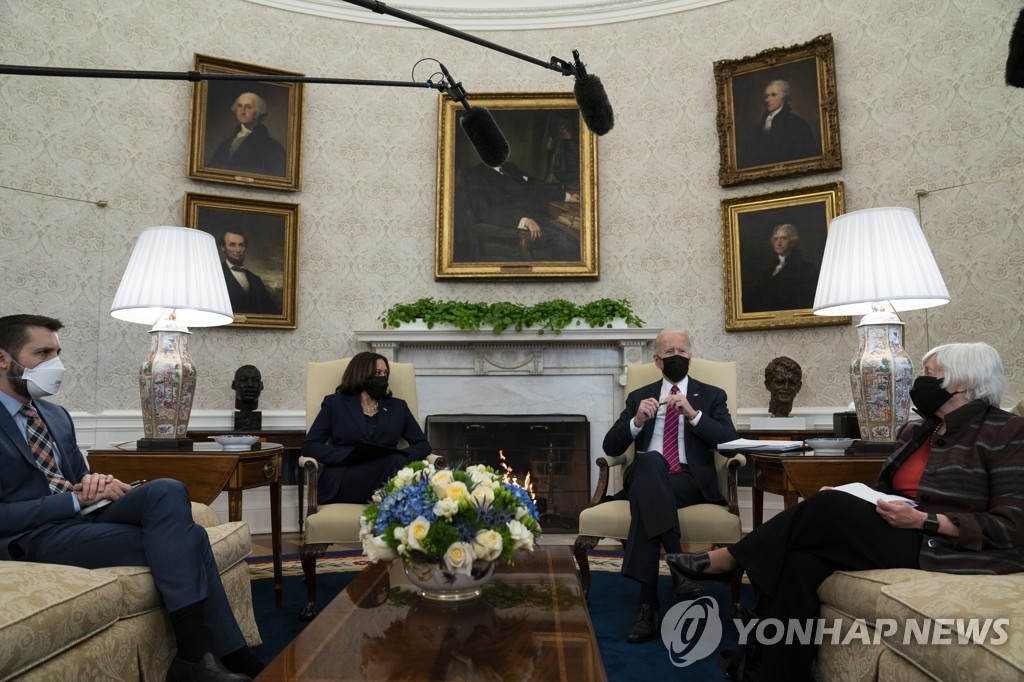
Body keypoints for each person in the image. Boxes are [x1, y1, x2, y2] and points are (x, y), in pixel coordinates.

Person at [667, 342, 1024, 681]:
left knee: (826, 509)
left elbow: (1012, 525)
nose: (921, 383)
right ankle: (771, 673)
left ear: (962, 382)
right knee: (800, 562)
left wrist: (926, 521)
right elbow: (887, 492)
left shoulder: (1005, 432)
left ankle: (733, 558)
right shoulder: (917, 430)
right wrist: (856, 496)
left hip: (942, 544)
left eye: (931, 374)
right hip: (896, 526)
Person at [0, 315, 262, 682]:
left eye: (58, 352)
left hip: (84, 516)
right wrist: (73, 501)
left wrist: (97, 483)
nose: (55, 363)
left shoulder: (55, 415)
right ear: (3, 360)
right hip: (33, 536)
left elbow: (78, 478)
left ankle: (196, 658)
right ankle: (219, 656)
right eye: (43, 353)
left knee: (167, 488)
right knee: (190, 538)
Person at [602, 330, 739, 643]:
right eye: (668, 351)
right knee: (650, 462)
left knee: (647, 498)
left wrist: (693, 415)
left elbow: (730, 444)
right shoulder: (640, 396)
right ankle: (678, 567)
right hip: (646, 473)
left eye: (681, 350)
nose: (675, 355)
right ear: (656, 360)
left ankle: (648, 607)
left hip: (689, 481)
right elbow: (610, 446)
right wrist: (636, 422)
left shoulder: (712, 395)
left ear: (690, 356)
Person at [302, 352, 431, 505]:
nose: (383, 377)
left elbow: (423, 445)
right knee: (399, 469)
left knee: (394, 462)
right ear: (361, 373)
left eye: (385, 373)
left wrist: (399, 456)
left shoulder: (398, 407)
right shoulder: (335, 404)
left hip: (389, 470)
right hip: (346, 477)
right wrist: (348, 455)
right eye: (378, 373)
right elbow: (310, 446)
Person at [461, 160, 581, 262]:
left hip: (540, 219)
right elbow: (485, 212)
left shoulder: (509, 167)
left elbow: (535, 185)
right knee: (569, 244)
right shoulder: (476, 176)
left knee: (575, 233)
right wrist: (524, 220)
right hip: (515, 229)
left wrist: (567, 196)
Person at [737, 79, 819, 169]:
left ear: (784, 97)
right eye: (766, 96)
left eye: (773, 95)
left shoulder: (798, 125)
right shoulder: (757, 128)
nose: (768, 99)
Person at [743, 223, 819, 313]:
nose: (778, 243)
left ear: (793, 241)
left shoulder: (807, 269)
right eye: (775, 239)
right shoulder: (768, 271)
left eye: (783, 238)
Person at [207, 92, 287, 176]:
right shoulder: (226, 144)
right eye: (239, 106)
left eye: (248, 107)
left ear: (259, 111)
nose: (242, 111)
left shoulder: (272, 147)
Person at [219, 229, 280, 316]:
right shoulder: (215, 276)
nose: (238, 250)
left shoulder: (256, 280)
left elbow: (272, 312)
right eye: (232, 245)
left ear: (246, 248)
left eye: (241, 245)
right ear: (223, 248)